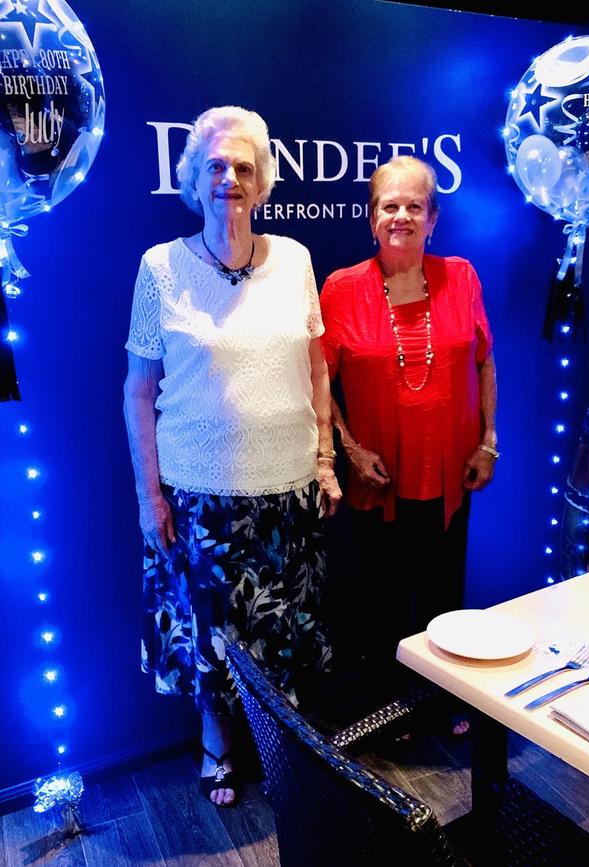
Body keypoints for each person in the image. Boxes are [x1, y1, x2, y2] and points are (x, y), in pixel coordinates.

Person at [123, 106, 341, 807]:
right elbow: (137, 391)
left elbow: (317, 371)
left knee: (287, 634)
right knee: (212, 644)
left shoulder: (298, 260)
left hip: (289, 490)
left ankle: (290, 756)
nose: (230, 179)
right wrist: (147, 495)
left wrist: (327, 459)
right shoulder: (161, 267)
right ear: (193, 177)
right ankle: (217, 745)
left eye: (244, 167)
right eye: (216, 165)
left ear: (263, 180)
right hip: (200, 498)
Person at [320, 156, 497, 727]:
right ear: (371, 219)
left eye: (414, 206)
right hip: (380, 476)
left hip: (452, 472)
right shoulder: (342, 288)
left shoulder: (462, 276)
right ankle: (388, 707)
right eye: (388, 206)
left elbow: (485, 361)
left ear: (433, 218)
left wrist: (488, 440)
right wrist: (348, 449)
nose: (401, 216)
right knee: (383, 601)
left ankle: (446, 699)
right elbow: (318, 384)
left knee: (445, 591)